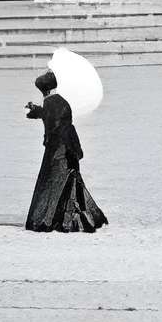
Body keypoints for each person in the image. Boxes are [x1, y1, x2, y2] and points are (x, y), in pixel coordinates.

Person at [24, 71, 108, 232]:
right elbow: (53, 117)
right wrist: (36, 110)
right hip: (69, 146)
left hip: (58, 149)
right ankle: (75, 217)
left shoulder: (50, 103)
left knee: (52, 182)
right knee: (69, 182)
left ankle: (49, 219)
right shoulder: (61, 101)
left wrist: (48, 140)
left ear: (44, 90)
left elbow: (53, 123)